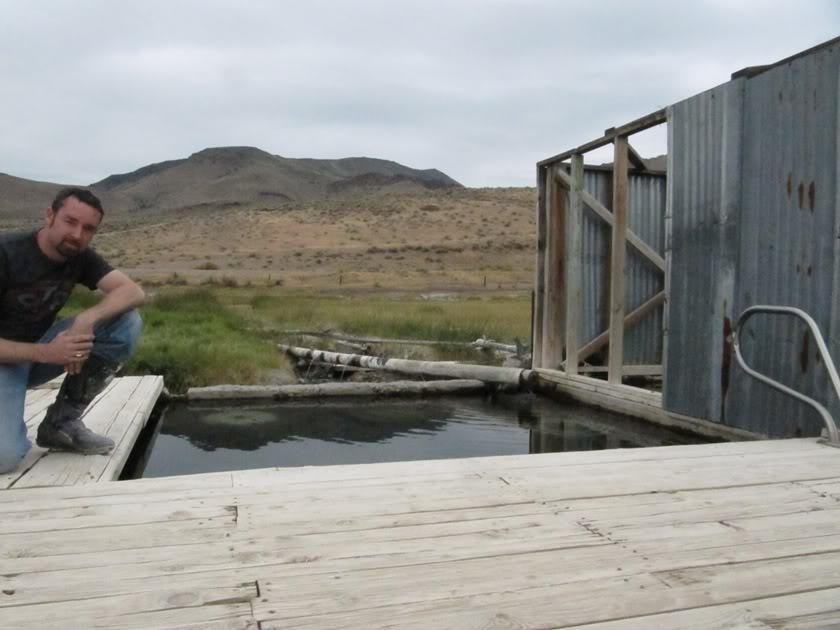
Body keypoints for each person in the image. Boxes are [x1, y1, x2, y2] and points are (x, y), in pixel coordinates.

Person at [0, 188, 144, 474]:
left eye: (88, 228)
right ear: (49, 215)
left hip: (39, 355)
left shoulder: (80, 257)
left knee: (125, 321)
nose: (77, 234)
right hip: (7, 360)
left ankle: (61, 423)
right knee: (5, 458)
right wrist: (45, 352)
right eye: (70, 221)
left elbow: (133, 291)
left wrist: (87, 318)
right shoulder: (7, 252)